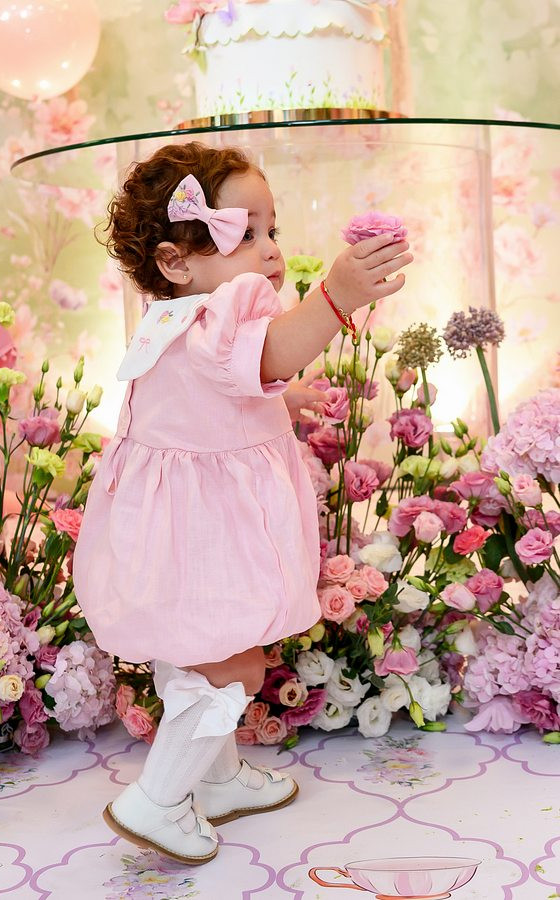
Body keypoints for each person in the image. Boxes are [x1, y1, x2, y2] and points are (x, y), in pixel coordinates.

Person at [72, 141, 413, 865]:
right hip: (212, 533)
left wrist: (276, 398)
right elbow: (275, 348)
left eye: (271, 228)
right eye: (244, 234)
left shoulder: (170, 319)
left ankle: (219, 779)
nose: (270, 250)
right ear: (175, 261)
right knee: (236, 667)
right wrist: (336, 296)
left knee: (195, 650)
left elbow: (210, 394)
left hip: (166, 531)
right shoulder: (226, 313)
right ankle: (158, 799)